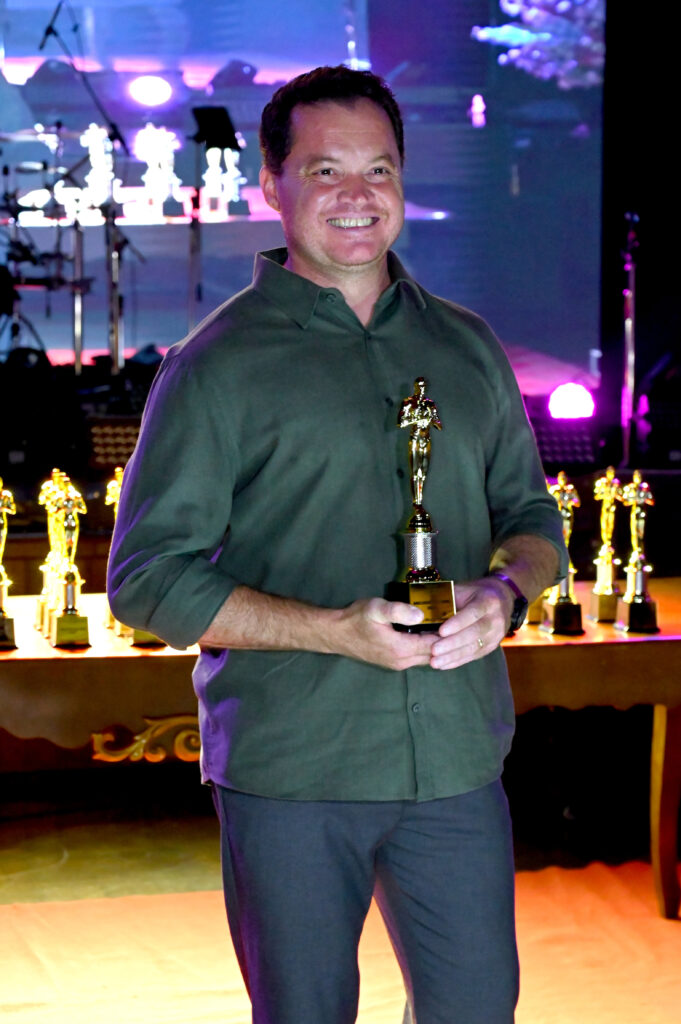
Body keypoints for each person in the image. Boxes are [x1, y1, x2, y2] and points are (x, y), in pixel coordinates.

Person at [108, 65, 568, 1024]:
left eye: (379, 169)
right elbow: (145, 580)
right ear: (270, 185)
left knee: (477, 1010)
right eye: (324, 170)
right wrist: (331, 630)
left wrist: (503, 596)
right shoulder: (214, 367)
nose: (357, 195)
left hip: (454, 759)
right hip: (294, 768)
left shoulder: (468, 346)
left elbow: (532, 520)